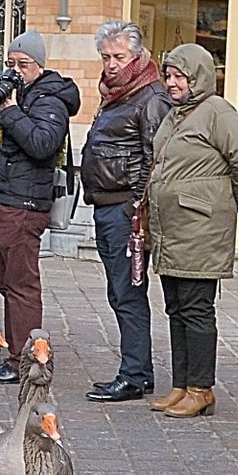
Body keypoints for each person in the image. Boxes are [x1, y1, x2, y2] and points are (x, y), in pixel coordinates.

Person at [142, 43, 238, 420]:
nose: (172, 84)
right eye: (169, 76)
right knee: (176, 307)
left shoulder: (216, 112)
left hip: (200, 228)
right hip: (172, 228)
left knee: (196, 309)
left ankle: (200, 388)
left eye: (179, 77)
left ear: (198, 78)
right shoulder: (176, 115)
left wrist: (228, 200)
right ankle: (181, 384)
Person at [83, 21, 172, 403]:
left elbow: (157, 158)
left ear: (137, 56)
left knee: (128, 293)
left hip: (125, 210)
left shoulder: (150, 96)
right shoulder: (117, 94)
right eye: (106, 57)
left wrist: (138, 208)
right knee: (119, 293)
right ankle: (137, 370)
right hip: (107, 205)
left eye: (119, 56)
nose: (111, 64)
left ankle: (134, 374)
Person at [0, 30, 80, 357]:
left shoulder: (51, 99)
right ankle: (15, 347)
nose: (16, 71)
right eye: (10, 63)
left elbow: (42, 145)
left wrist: (9, 110)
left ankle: (24, 357)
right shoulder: (10, 96)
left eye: (23, 64)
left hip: (23, 204)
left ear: (39, 66)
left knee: (22, 286)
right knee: (6, 284)